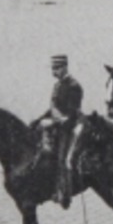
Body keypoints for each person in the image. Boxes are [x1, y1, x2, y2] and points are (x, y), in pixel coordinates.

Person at [36, 55, 84, 209]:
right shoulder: (58, 85)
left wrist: (53, 121)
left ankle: (65, 193)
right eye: (53, 68)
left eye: (56, 68)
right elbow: (52, 107)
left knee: (63, 159)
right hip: (56, 124)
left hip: (68, 128)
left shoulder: (74, 86)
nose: (54, 71)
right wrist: (38, 120)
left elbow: (71, 114)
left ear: (64, 67)